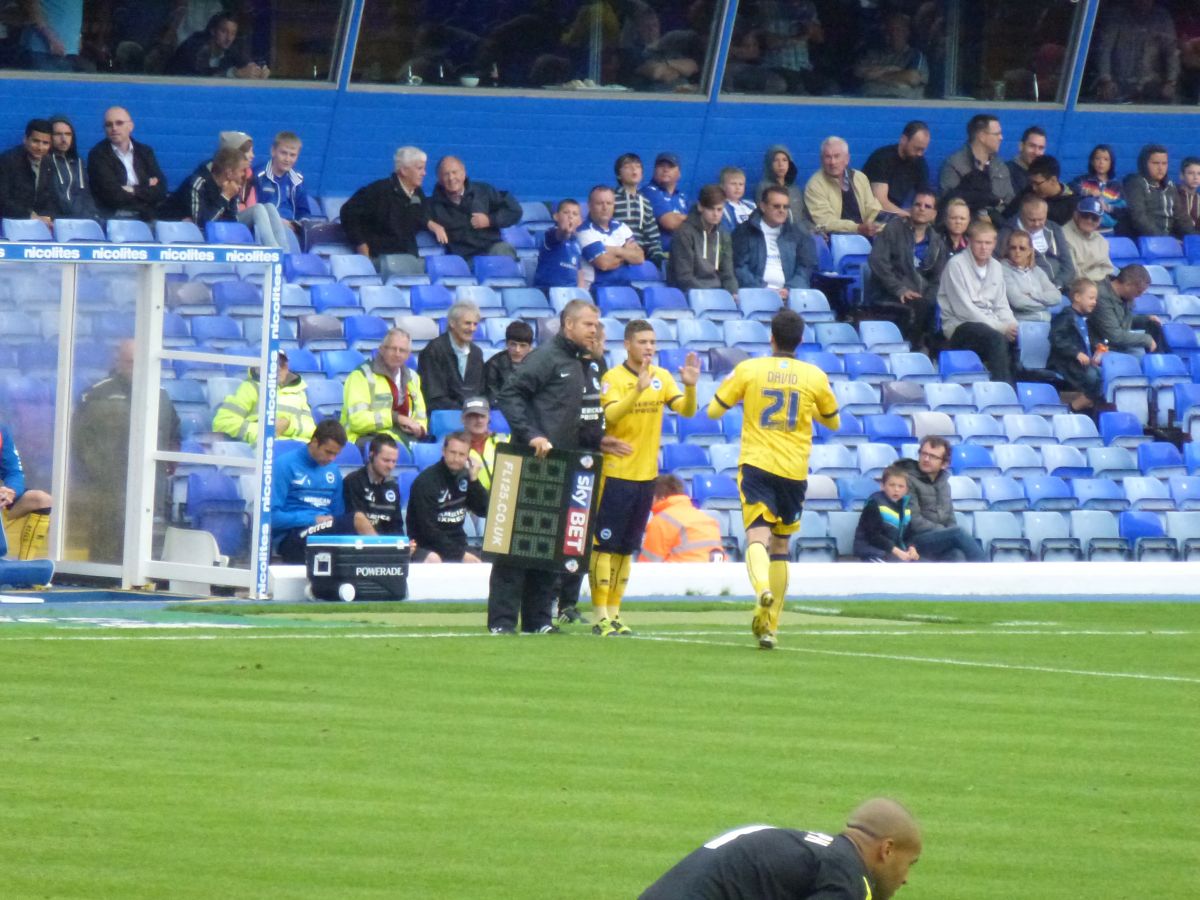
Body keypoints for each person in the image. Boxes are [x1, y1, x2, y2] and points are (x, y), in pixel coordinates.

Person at [706, 309, 839, 650]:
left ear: (772, 337)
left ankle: (761, 589)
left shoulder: (750, 369)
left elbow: (713, 411)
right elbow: (834, 422)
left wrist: (746, 403)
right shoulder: (814, 376)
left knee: (756, 538)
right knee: (781, 547)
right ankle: (770, 628)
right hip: (794, 471)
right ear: (801, 340)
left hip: (757, 464)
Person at [487, 299, 604, 635]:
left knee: (550, 545)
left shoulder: (584, 363)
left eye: (596, 325)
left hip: (564, 463)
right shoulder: (546, 357)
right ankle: (502, 622)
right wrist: (533, 434)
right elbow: (510, 395)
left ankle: (539, 620)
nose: (593, 331)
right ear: (568, 325)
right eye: (587, 325)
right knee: (516, 544)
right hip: (532, 460)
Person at [589, 320, 699, 636]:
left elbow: (687, 411)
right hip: (616, 474)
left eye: (652, 342)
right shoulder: (613, 378)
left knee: (625, 548)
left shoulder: (661, 378)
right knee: (604, 546)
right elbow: (609, 416)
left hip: (645, 476)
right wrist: (637, 390)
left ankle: (615, 612)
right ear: (627, 344)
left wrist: (690, 386)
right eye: (642, 342)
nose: (649, 348)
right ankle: (599, 615)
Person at [639, 797, 921, 900]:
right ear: (887, 850)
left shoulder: (794, 844)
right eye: (910, 863)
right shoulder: (849, 879)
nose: (906, 878)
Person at [72, 340, 181, 563]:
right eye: (130, 362)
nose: (136, 368)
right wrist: (98, 476)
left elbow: (173, 435)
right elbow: (80, 441)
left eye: (140, 363)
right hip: (106, 488)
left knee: (143, 543)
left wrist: (163, 471)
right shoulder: (97, 394)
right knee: (106, 544)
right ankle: (100, 581)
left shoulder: (160, 396)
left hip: (147, 486)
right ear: (118, 362)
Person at [270, 419, 363, 564]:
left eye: (335, 455)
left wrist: (325, 523)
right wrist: (312, 520)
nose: (331, 458)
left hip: (325, 531)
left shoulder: (333, 470)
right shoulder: (284, 465)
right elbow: (271, 517)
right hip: (292, 536)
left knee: (358, 527)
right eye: (328, 452)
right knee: (357, 520)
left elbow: (337, 514)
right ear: (314, 442)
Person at [865, 189, 946, 349]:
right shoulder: (893, 229)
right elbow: (877, 261)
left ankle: (925, 354)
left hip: (920, 298)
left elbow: (938, 279)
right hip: (888, 292)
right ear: (911, 209)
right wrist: (899, 289)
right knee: (921, 307)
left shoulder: (937, 243)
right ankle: (913, 351)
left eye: (927, 206)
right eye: (917, 204)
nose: (921, 208)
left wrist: (927, 298)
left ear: (934, 214)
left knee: (931, 307)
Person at [937, 221, 1017, 384]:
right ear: (970, 242)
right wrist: (1001, 328)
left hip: (989, 325)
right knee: (997, 338)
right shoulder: (956, 265)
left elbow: (1001, 304)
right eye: (979, 242)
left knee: (1017, 338)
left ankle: (1013, 391)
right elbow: (965, 310)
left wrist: (1011, 325)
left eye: (988, 243)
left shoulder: (996, 266)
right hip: (960, 325)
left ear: (994, 244)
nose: (983, 247)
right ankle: (1003, 390)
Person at [340, 145, 444, 262]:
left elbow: (419, 215)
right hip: (381, 259)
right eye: (419, 168)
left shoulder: (418, 194)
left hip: (409, 259)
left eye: (424, 169)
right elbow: (347, 212)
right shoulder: (378, 191)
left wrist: (430, 223)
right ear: (404, 170)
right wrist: (361, 245)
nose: (424, 173)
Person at [896, 436, 986, 561]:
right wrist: (947, 532)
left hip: (939, 539)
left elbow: (950, 519)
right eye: (924, 454)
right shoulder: (907, 481)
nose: (926, 459)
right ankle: (988, 573)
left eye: (933, 456)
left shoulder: (945, 485)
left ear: (944, 464)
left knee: (956, 554)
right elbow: (914, 522)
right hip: (914, 541)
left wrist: (947, 532)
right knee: (958, 533)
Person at [406, 431, 488, 564]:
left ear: (468, 457)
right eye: (452, 452)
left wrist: (474, 480)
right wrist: (460, 555)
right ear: (443, 451)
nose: (456, 458)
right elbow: (428, 530)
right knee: (434, 560)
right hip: (425, 546)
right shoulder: (426, 481)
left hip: (458, 545)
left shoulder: (466, 477)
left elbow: (484, 510)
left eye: (461, 454)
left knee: (488, 561)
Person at [341, 327, 428, 449]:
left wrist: (419, 429)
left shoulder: (413, 378)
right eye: (393, 349)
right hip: (364, 438)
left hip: (403, 438)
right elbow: (357, 421)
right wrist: (395, 418)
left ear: (408, 355)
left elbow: (420, 415)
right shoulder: (361, 375)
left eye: (402, 350)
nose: (397, 354)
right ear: (382, 350)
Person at [427, 155, 522, 261]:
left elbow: (514, 211)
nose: (451, 178)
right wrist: (431, 224)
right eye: (446, 174)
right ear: (439, 179)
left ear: (464, 173)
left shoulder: (484, 191)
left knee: (503, 249)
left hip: (491, 251)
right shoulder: (433, 204)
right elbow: (414, 216)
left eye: (455, 172)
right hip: (462, 261)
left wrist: (489, 220)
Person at [213, 350, 315, 445]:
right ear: (260, 367)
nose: (278, 368)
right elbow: (223, 423)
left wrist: (288, 426)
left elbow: (311, 430)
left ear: (287, 367)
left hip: (296, 449)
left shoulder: (299, 392)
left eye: (282, 364)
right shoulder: (250, 388)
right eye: (272, 364)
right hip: (264, 450)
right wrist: (266, 432)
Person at [732, 185, 817, 300]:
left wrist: (789, 289)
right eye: (776, 206)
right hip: (756, 295)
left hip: (789, 296)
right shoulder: (744, 232)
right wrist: (763, 289)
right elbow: (739, 268)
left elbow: (806, 267)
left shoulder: (798, 234)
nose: (782, 210)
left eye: (785, 207)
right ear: (763, 206)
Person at [86, 106, 167, 221]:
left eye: (119, 123)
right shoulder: (97, 155)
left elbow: (161, 189)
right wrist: (145, 190)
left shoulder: (145, 152)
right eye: (109, 124)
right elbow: (112, 195)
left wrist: (132, 190)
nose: (114, 128)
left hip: (148, 215)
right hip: (116, 216)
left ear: (130, 126)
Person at [1092, 0, 1179, 104]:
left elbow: (1171, 52)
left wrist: (1171, 81)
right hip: (1119, 83)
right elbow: (1104, 48)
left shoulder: (1162, 17)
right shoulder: (1116, 15)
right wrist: (1106, 79)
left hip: (1152, 85)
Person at [938, 114, 1013, 223]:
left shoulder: (1000, 166)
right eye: (997, 134)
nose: (1001, 138)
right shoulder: (954, 164)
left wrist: (994, 217)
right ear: (982, 136)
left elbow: (1009, 200)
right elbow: (949, 203)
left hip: (998, 227)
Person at [668, 184, 739, 295]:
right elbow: (684, 277)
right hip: (687, 293)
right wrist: (710, 295)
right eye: (711, 209)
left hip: (716, 293)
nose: (715, 214)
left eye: (719, 210)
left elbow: (727, 273)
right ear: (700, 207)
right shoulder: (684, 233)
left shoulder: (723, 234)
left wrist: (733, 292)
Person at [804, 136, 881, 237]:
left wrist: (873, 225)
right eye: (828, 157)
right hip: (836, 239)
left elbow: (872, 208)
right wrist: (857, 228)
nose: (832, 162)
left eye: (837, 156)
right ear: (821, 160)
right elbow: (826, 222)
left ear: (847, 159)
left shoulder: (860, 178)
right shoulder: (814, 185)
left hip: (866, 234)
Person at [638, 474, 724, 563]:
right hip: (716, 575)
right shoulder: (708, 519)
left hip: (682, 575)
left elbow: (648, 565)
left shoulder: (661, 522)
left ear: (661, 498)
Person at [1049, 277, 1106, 412]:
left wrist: (1097, 350)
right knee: (1095, 377)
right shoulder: (1067, 316)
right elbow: (1055, 337)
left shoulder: (1084, 318)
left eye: (1095, 299)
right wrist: (1076, 353)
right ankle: (1073, 408)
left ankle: (1085, 408)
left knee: (1104, 374)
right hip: (1065, 364)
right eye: (1091, 298)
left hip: (1080, 365)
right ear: (1077, 297)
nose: (1094, 302)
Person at [998, 195, 1075, 292]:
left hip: (1060, 286)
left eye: (1041, 219)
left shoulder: (1054, 228)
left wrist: (1058, 283)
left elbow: (1068, 264)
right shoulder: (1007, 233)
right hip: (1030, 290)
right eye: (1032, 220)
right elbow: (999, 264)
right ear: (1021, 215)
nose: (1037, 223)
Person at [418, 300, 484, 413]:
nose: (472, 328)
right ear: (452, 323)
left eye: (475, 324)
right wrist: (464, 411)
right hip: (443, 415)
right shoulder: (433, 351)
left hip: (471, 416)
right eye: (467, 323)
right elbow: (434, 396)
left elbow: (478, 391)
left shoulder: (476, 353)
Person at [0, 423, 53, 561]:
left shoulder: (1, 431)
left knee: (41, 500)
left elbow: (13, 472)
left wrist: (10, 491)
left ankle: (25, 567)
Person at [577, 185, 646, 288]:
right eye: (599, 203)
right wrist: (626, 253)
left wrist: (616, 251)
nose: (605, 208)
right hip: (599, 290)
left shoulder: (622, 227)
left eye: (609, 203)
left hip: (626, 287)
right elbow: (604, 264)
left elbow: (639, 258)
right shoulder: (583, 231)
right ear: (590, 205)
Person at [1124, 144, 1196, 239]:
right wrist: (1164, 240)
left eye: (1164, 163)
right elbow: (1139, 218)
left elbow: (1181, 219)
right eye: (1155, 163)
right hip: (1144, 242)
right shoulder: (1135, 183)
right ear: (1144, 164)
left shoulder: (1170, 187)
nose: (1160, 168)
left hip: (1169, 241)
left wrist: (1195, 238)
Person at [1090, 264, 1164, 357]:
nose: (1140, 296)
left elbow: (1121, 321)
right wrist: (1146, 339)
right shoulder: (1102, 297)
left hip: (1118, 346)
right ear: (1128, 285)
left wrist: (1145, 319)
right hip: (1103, 348)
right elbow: (1114, 336)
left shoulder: (1125, 297)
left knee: (1152, 324)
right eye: (1139, 291)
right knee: (1141, 356)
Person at [861, 121, 931, 219]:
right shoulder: (882, 158)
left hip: (895, 214)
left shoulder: (919, 163)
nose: (920, 153)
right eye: (916, 148)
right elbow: (880, 203)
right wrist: (908, 215)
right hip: (870, 214)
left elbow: (926, 196)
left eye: (923, 150)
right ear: (903, 140)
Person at [168, 12, 269, 79]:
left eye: (233, 33)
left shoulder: (231, 48)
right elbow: (201, 79)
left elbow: (245, 63)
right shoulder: (195, 47)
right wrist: (234, 73)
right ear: (213, 31)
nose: (229, 38)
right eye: (224, 31)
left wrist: (259, 70)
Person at [342, 433, 405, 537]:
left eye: (394, 461)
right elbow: (355, 523)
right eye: (386, 460)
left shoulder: (392, 487)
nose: (391, 466)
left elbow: (396, 527)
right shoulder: (353, 482)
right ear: (371, 455)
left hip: (388, 548)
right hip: (361, 546)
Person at [853, 12, 928, 100]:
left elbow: (912, 78)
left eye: (896, 29)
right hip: (868, 103)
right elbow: (857, 72)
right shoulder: (872, 54)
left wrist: (874, 76)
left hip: (902, 106)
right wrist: (892, 70)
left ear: (906, 32)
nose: (891, 34)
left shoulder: (915, 55)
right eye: (887, 30)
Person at [253, 131, 317, 230]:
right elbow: (253, 209)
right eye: (283, 153)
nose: (287, 159)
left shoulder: (297, 179)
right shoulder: (258, 175)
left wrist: (300, 225)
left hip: (291, 228)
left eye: (292, 155)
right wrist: (279, 222)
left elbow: (304, 211)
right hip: (265, 226)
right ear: (273, 151)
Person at [854, 464, 918, 562]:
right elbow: (873, 536)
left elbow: (908, 535)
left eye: (901, 486)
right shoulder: (874, 503)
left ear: (906, 490)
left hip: (893, 553)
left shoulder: (905, 507)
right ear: (883, 486)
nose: (896, 489)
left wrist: (912, 548)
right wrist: (898, 552)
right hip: (871, 552)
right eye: (892, 485)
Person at [0, 119, 58, 223]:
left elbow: (51, 198)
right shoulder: (7, 161)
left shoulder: (49, 163)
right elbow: (2, 199)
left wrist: (48, 216)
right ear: (25, 139)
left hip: (39, 224)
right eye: (35, 141)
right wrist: (29, 215)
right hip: (10, 223)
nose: (40, 147)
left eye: (45, 143)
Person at [612, 152, 665, 265]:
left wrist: (657, 257)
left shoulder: (645, 202)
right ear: (618, 174)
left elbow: (652, 237)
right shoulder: (611, 199)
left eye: (638, 166)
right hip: (617, 256)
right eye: (628, 167)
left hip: (640, 258)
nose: (634, 170)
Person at [1000, 230, 1061, 323]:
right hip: (1020, 323)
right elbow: (1018, 302)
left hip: (1045, 322)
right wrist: (1046, 304)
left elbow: (1056, 296)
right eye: (1013, 248)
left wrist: (1033, 296)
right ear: (1008, 249)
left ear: (1029, 251)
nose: (1017, 251)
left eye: (1022, 248)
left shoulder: (1037, 271)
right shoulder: (1002, 269)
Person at [46, 115, 98, 220]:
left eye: (68, 134)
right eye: (58, 134)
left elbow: (87, 195)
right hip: (56, 220)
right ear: (49, 136)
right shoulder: (45, 162)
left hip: (83, 220)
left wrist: (93, 215)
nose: (64, 139)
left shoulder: (78, 162)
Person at [1070, 145, 1125, 234]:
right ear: (1092, 161)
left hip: (1107, 232)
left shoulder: (1116, 186)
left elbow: (1123, 210)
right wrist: (1087, 191)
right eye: (1097, 158)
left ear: (1111, 163)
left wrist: (1108, 207)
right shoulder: (1083, 180)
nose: (1101, 162)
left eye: (1106, 159)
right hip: (1083, 230)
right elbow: (1070, 190)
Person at [531, 198, 584, 289]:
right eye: (566, 212)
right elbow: (561, 236)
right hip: (549, 291)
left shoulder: (576, 243)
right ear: (556, 216)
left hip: (571, 292)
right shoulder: (550, 234)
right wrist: (565, 232)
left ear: (580, 221)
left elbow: (579, 272)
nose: (570, 216)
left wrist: (581, 292)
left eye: (575, 214)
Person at [1062, 197, 1115, 284]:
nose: (1089, 221)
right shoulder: (1063, 236)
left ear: (1100, 220)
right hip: (1077, 287)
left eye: (1095, 218)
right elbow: (1073, 275)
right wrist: (1098, 273)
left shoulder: (1101, 241)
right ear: (1076, 214)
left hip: (1101, 283)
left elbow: (1108, 269)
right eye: (1085, 216)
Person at [642, 151, 688, 252]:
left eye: (670, 166)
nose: (665, 169)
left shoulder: (682, 197)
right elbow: (670, 222)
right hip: (658, 255)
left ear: (679, 173)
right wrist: (696, 220)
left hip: (682, 255)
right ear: (654, 170)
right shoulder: (649, 191)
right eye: (661, 166)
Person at [461, 396, 508, 492]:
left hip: (502, 499)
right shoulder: (456, 447)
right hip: (471, 500)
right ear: (463, 419)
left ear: (489, 418)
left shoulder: (504, 440)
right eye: (474, 416)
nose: (479, 420)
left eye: (482, 416)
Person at [483, 320, 534, 406]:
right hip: (501, 409)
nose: (517, 350)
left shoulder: (537, 364)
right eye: (513, 344)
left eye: (523, 345)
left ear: (530, 346)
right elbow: (491, 394)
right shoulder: (494, 364)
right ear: (507, 343)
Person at [1024, 155, 1077, 225]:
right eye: (1032, 182)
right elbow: (1009, 215)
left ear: (1053, 180)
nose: (1034, 187)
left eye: (1037, 183)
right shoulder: (1029, 192)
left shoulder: (1072, 204)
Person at [756, 144, 805, 219]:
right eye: (776, 160)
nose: (781, 164)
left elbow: (803, 217)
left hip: (798, 229)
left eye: (784, 160)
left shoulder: (795, 189)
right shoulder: (763, 188)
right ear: (769, 164)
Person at [1006, 126, 1047, 198]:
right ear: (1021, 146)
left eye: (1041, 148)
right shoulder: (1006, 171)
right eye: (1032, 146)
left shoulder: (1045, 175)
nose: (1036, 152)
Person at [718, 166, 755, 232]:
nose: (738, 187)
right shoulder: (721, 207)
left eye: (741, 184)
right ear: (722, 186)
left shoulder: (751, 205)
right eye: (733, 184)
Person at [1178, 157, 1200, 232]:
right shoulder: (1173, 195)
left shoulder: (1198, 199)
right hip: (1174, 239)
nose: (1196, 177)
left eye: (1199, 174)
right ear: (1182, 175)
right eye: (1191, 173)